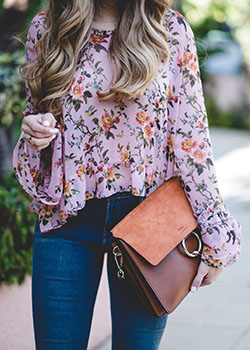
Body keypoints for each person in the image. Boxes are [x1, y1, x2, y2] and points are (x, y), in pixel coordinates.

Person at [12, 0, 242, 349]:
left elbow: (192, 141)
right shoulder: (48, 29)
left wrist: (215, 235)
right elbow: (38, 120)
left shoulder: (170, 31)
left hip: (150, 228)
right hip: (67, 223)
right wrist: (34, 131)